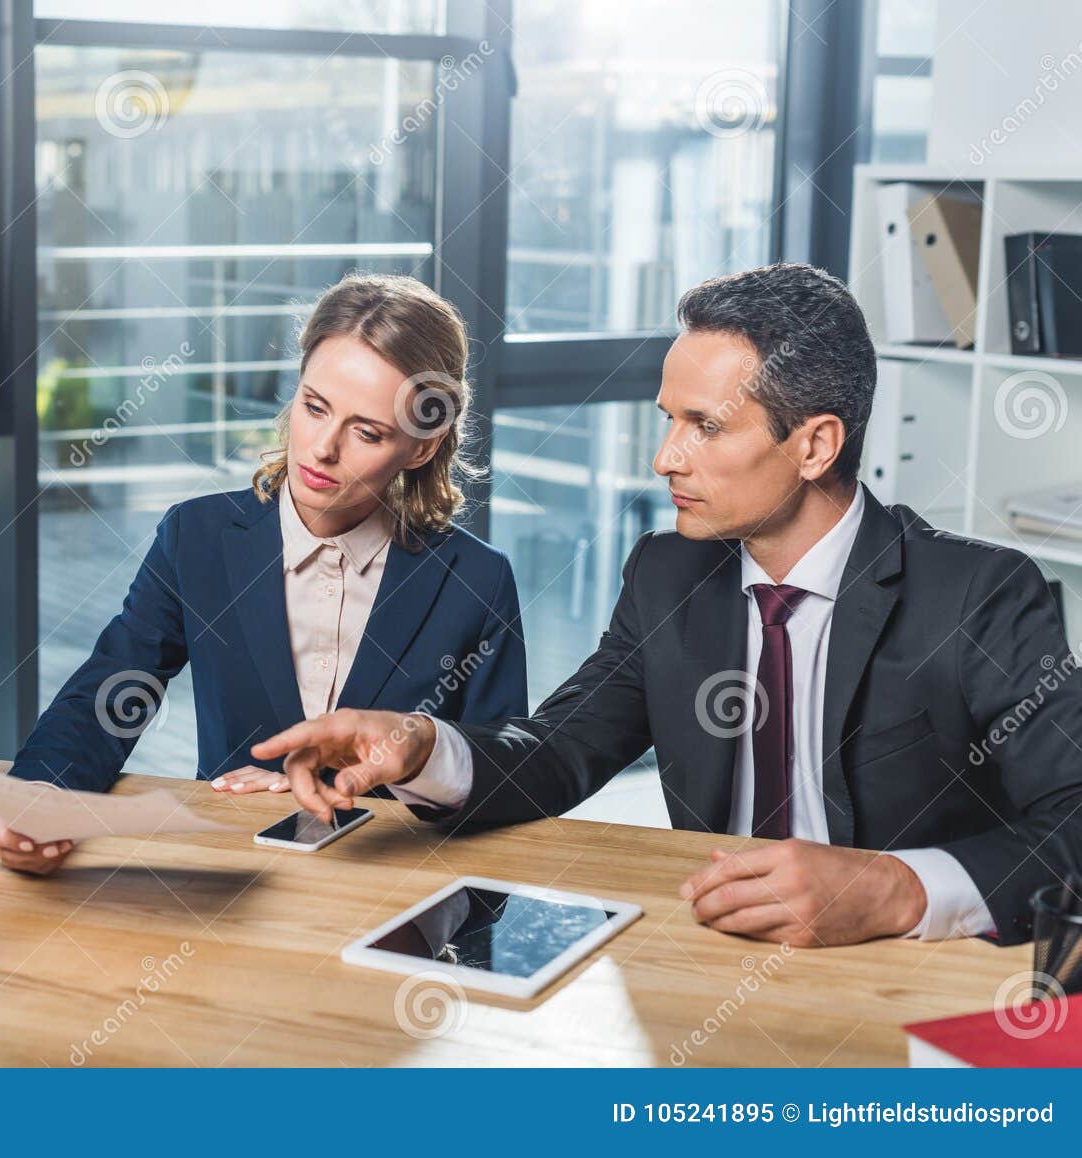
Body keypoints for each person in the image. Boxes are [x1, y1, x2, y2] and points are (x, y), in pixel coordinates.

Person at [254, 262, 1082, 948]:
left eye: (704, 427)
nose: (664, 458)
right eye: (667, 420)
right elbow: (557, 751)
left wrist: (897, 887)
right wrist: (420, 743)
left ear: (816, 445)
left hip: (909, 983)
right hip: (708, 962)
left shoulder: (977, 595)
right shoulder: (668, 575)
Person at [0, 273, 528, 874]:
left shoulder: (478, 581)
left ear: (421, 447)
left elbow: (502, 779)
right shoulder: (196, 537)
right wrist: (43, 793)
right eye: (314, 407)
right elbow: (110, 693)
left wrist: (341, 791)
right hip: (231, 877)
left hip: (396, 884)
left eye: (367, 432)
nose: (322, 448)